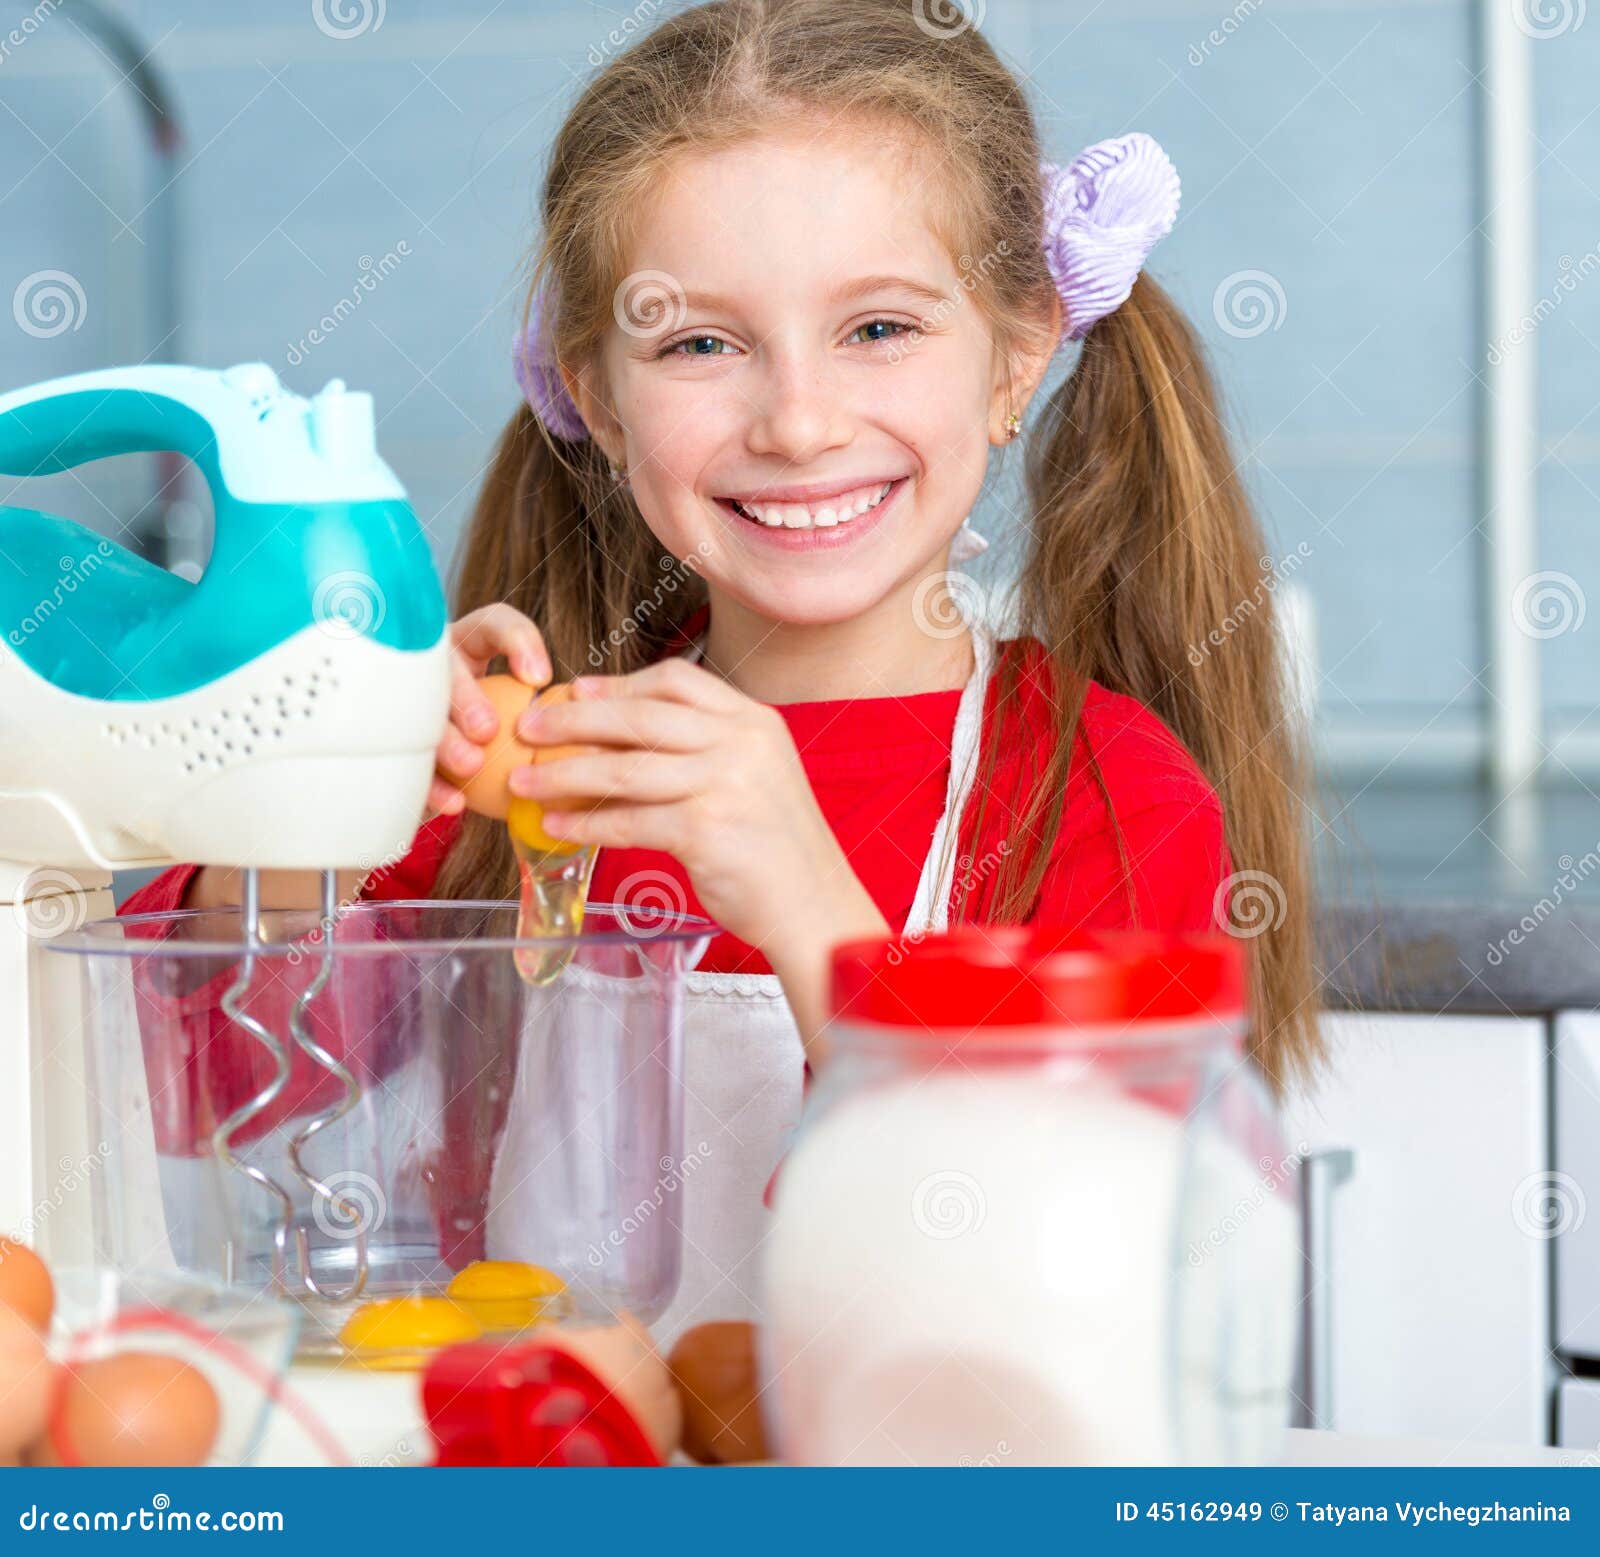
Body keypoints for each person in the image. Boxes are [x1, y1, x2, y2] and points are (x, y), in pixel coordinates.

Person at [125, 0, 1317, 1338]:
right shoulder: (547, 771)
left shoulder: (1107, 798)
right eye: (699, 342)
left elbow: (1080, 1284)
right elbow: (220, 1090)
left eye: (880, 328)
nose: (799, 422)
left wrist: (810, 901)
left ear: (1018, 351)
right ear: (600, 394)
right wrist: (329, 790)